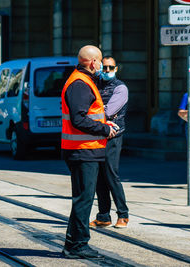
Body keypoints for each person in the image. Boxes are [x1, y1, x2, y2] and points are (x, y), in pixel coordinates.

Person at [61, 45, 117, 259]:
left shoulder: (81, 81)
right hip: (81, 150)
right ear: (93, 62)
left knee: (82, 198)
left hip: (85, 150)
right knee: (83, 199)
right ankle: (77, 245)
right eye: (101, 62)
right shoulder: (80, 84)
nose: (102, 66)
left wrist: (104, 125)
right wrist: (105, 129)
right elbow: (79, 119)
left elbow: (85, 116)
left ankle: (73, 243)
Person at [89, 56, 129, 229]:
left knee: (111, 173)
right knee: (99, 175)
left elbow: (109, 111)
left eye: (110, 68)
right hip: (98, 134)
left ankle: (123, 215)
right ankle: (103, 216)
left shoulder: (120, 88)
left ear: (116, 68)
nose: (106, 71)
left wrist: (92, 113)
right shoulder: (96, 84)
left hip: (114, 134)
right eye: (104, 67)